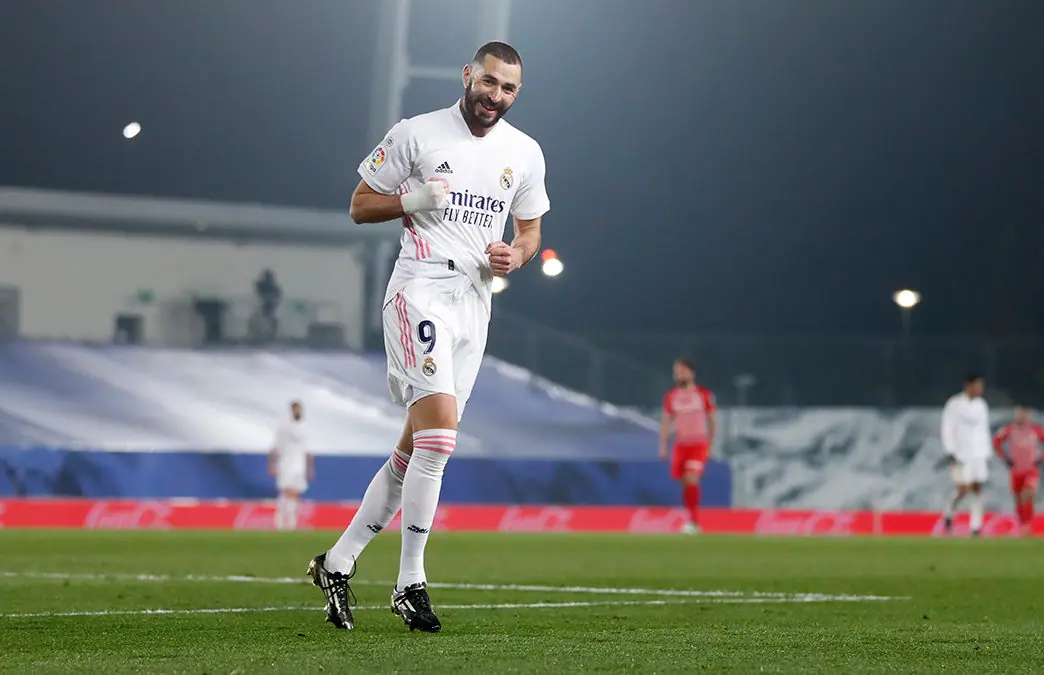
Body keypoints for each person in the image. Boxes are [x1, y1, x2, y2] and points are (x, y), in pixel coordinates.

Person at [307, 41, 549, 633]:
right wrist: (412, 199)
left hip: (474, 302)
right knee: (439, 440)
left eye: (508, 88)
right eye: (488, 82)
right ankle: (410, 582)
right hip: (420, 290)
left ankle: (336, 562)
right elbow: (359, 205)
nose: (495, 96)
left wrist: (516, 254)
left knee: (416, 449)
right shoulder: (417, 133)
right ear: (468, 75)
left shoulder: (525, 152)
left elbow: (530, 231)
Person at [659, 359, 717, 534]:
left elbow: (712, 420)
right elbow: (666, 423)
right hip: (681, 445)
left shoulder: (703, 395)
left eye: (682, 371)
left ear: (691, 373)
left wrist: (710, 445)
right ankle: (690, 518)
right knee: (685, 482)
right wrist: (663, 447)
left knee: (692, 478)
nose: (678, 375)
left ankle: (694, 522)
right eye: (676, 371)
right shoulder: (671, 397)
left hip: (698, 444)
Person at [940, 373, 992, 536]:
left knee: (977, 489)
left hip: (978, 453)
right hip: (961, 453)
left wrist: (986, 451)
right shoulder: (954, 404)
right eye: (978, 386)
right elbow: (947, 427)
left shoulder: (981, 405)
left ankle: (975, 527)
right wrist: (950, 450)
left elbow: (984, 429)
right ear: (969, 386)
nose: (981, 389)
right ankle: (948, 514)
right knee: (962, 489)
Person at [992, 406, 1044, 536]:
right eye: (1019, 413)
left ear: (1028, 415)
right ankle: (1022, 524)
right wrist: (1005, 458)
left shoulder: (1036, 430)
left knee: (1027, 494)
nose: (1021, 416)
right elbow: (996, 442)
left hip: (1031, 470)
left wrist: (1040, 458)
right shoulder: (1009, 430)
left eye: (1024, 413)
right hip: (1016, 471)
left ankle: (1027, 524)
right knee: (1018, 499)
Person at [268, 401, 312, 530]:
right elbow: (275, 446)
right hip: (286, 463)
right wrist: (272, 464)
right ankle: (280, 520)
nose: (298, 412)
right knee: (286, 491)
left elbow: (307, 450)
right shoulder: (284, 427)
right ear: (292, 411)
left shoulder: (304, 427)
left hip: (300, 465)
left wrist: (310, 468)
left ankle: (292, 522)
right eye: (296, 409)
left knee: (296, 492)